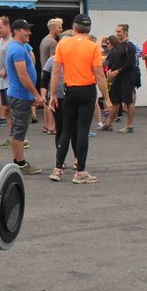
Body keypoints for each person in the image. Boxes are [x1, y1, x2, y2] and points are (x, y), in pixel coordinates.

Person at [47, 13, 110, 183]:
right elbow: (100, 75)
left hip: (70, 91)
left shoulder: (63, 44)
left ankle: (58, 168)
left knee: (66, 129)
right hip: (87, 91)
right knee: (82, 130)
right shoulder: (94, 47)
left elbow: (56, 71)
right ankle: (80, 171)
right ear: (88, 29)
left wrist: (53, 94)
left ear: (74, 28)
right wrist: (107, 99)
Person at [4, 19, 42, 173]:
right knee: (19, 129)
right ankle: (20, 163)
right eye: (26, 30)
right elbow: (23, 75)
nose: (30, 32)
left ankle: (18, 161)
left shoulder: (20, 47)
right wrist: (36, 94)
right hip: (20, 96)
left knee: (17, 128)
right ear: (17, 31)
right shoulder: (18, 49)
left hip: (20, 95)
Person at [104, 24, 138, 133]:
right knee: (115, 100)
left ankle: (129, 126)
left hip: (128, 77)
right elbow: (117, 61)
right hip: (117, 77)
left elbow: (130, 63)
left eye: (119, 31)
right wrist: (111, 70)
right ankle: (108, 124)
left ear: (125, 32)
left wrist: (117, 71)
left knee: (128, 101)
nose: (117, 34)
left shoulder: (130, 46)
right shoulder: (118, 46)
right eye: (116, 31)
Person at [39, 18, 62, 134]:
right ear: (53, 28)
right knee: (52, 100)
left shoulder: (44, 40)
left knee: (46, 99)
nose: (61, 30)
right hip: (51, 74)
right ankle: (52, 127)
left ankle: (47, 125)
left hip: (44, 71)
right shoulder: (53, 42)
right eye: (59, 27)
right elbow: (55, 60)